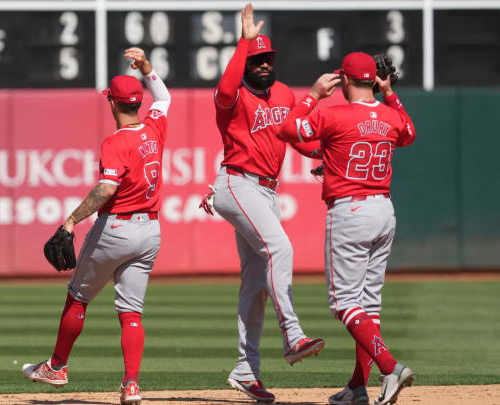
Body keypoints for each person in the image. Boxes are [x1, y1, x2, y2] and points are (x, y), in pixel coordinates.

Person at [21, 47, 170, 405]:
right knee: (131, 311)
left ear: (113, 104)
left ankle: (57, 366)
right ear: (137, 102)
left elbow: (107, 187)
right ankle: (131, 385)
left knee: (78, 296)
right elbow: (163, 97)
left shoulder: (115, 142)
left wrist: (71, 220)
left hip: (116, 230)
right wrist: (148, 69)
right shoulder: (155, 128)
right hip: (150, 231)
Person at [276, 51, 417, 405]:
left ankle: (389, 368)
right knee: (368, 305)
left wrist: (312, 95)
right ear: (373, 79)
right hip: (384, 210)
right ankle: (357, 387)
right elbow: (409, 132)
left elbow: (287, 129)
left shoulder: (332, 113)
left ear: (345, 80)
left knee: (344, 303)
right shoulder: (389, 115)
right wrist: (390, 94)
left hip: (351, 212)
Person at [200, 3, 325, 402]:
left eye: (268, 59)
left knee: (255, 285)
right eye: (257, 60)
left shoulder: (285, 93)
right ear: (246, 64)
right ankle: (292, 334)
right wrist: (245, 41)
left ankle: (245, 369)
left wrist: (322, 155)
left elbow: (296, 138)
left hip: (268, 190)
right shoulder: (232, 98)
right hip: (236, 183)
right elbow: (223, 87)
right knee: (281, 247)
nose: (264, 65)